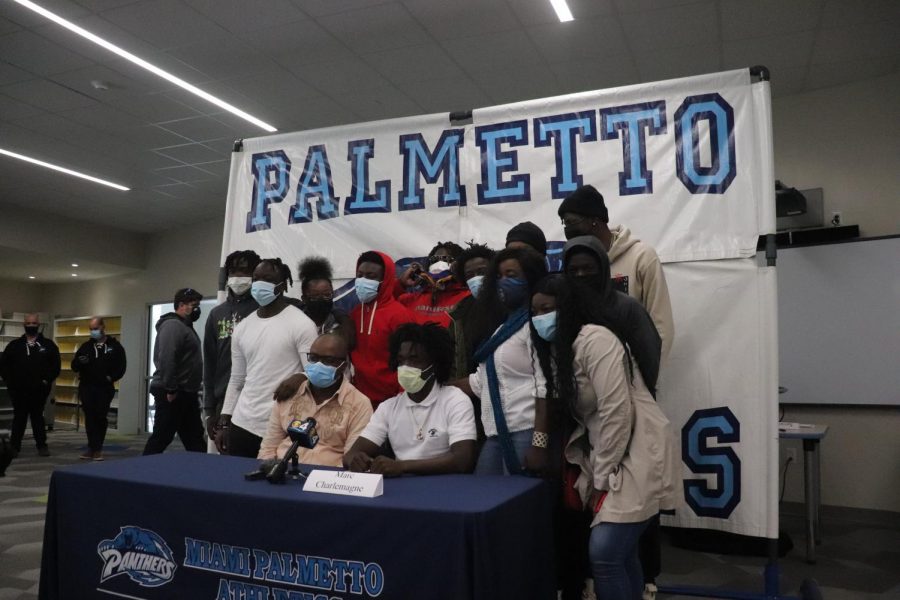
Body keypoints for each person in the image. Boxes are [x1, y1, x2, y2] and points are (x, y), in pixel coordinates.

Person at [530, 275, 679, 600]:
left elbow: (617, 412)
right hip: (611, 456)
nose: (541, 317)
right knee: (621, 553)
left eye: (548, 309)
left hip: (633, 452)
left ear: (568, 308)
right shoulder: (562, 351)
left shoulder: (595, 339)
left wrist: (601, 475)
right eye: (536, 311)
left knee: (605, 551)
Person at [454, 247, 549, 476]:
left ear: (531, 279)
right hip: (496, 433)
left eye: (512, 275)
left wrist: (539, 443)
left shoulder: (535, 324)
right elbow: (481, 382)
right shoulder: (502, 329)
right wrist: (439, 387)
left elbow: (545, 386)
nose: (502, 282)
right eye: (499, 276)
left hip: (526, 432)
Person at [343, 323, 477, 476]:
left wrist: (402, 466)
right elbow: (350, 455)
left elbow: (463, 460)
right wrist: (357, 460)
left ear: (434, 364)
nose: (406, 367)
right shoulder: (388, 407)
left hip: (445, 487)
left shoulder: (455, 400)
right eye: (401, 361)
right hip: (403, 490)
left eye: (414, 360)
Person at [558, 184, 673, 359]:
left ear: (594, 220)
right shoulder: (575, 266)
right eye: (564, 224)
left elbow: (661, 325)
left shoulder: (641, 257)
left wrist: (646, 377)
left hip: (634, 376)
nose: (568, 229)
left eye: (572, 222)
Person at [218, 259, 318, 458]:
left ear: (282, 285)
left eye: (268, 279)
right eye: (256, 279)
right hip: (242, 422)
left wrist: (300, 376)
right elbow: (237, 379)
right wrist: (224, 420)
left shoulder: (302, 324)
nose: (259, 284)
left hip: (280, 425)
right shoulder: (243, 327)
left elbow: (315, 373)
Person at [563, 236, 662, 397]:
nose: (580, 274)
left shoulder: (626, 307)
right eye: (573, 270)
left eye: (588, 268)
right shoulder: (566, 308)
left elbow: (649, 358)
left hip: (627, 401)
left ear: (602, 268)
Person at [258, 333, 372, 467]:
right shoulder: (290, 392)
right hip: (284, 472)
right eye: (313, 358)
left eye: (328, 360)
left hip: (326, 480)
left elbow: (351, 459)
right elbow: (269, 448)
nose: (319, 365)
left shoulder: (359, 404)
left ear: (343, 365)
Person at [203, 250, 260, 451]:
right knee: (227, 461)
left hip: (257, 401)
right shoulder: (217, 314)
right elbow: (209, 365)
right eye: (233, 271)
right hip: (223, 401)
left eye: (244, 271)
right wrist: (209, 411)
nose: (238, 276)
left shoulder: (265, 309)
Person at [143, 289, 207, 455]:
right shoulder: (173, 325)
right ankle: (141, 470)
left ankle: (203, 472)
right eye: (194, 305)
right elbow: (167, 358)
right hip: (174, 392)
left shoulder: (184, 326)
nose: (197, 309)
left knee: (194, 437)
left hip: (186, 392)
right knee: (162, 436)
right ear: (181, 305)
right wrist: (171, 388)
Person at [349, 251, 415, 408]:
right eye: (360, 275)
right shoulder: (356, 313)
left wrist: (402, 401)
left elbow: (410, 362)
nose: (363, 280)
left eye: (371, 276)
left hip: (392, 402)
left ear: (384, 280)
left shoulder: (399, 315)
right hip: (359, 401)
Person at [0, 313, 60, 457]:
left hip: (39, 390)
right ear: (24, 325)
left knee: (37, 418)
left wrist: (46, 380)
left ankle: (42, 446)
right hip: (18, 391)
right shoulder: (14, 345)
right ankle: (14, 447)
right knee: (19, 418)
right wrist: (10, 382)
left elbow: (55, 366)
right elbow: (3, 365)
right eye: (29, 323)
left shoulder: (48, 345)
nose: (31, 326)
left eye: (34, 323)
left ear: (38, 325)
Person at [71, 317, 126, 460]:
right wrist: (79, 362)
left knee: (100, 416)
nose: (93, 331)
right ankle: (92, 447)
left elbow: (121, 366)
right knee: (89, 417)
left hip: (104, 388)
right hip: (87, 386)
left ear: (103, 327)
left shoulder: (115, 346)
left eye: (95, 328)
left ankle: (97, 447)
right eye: (91, 329)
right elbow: (74, 366)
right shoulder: (86, 347)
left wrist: (111, 377)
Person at [448, 242, 495, 379]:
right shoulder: (458, 313)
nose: (476, 278)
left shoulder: (508, 306)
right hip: (468, 392)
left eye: (482, 272)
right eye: (470, 275)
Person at [395, 242, 470, 327]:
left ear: (458, 266)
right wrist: (401, 284)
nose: (438, 264)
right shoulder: (409, 299)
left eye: (446, 259)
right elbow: (383, 306)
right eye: (434, 260)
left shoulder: (468, 299)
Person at [298, 256, 355, 349]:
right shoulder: (295, 322)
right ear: (304, 298)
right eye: (314, 296)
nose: (321, 299)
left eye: (327, 294)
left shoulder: (340, 326)